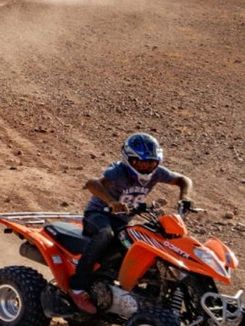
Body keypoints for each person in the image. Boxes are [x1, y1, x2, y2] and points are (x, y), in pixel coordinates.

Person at [69, 133, 193, 314]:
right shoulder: (118, 172)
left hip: (121, 221)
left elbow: (184, 179)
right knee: (106, 234)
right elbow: (92, 184)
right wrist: (111, 202)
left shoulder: (157, 173)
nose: (145, 167)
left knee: (147, 245)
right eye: (140, 163)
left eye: (150, 163)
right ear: (128, 159)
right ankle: (77, 287)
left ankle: (144, 299)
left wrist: (185, 197)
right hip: (97, 215)